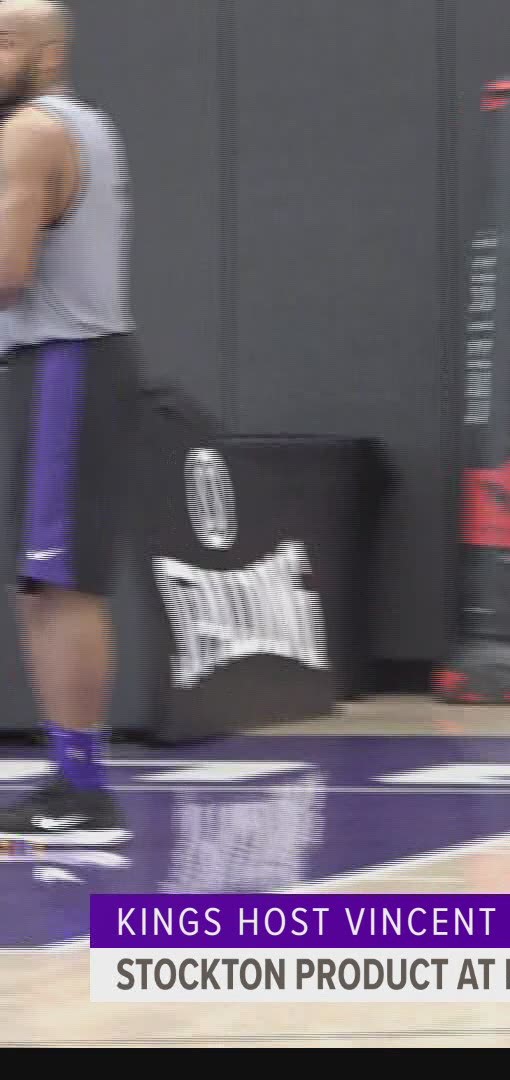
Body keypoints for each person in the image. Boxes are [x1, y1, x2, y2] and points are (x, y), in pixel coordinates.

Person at [0, 0, 137, 847]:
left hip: (67, 362)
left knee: (60, 583)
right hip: (54, 363)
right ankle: (70, 772)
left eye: (2, 41)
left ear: (48, 56)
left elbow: (7, 267)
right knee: (41, 585)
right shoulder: (81, 123)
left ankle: (84, 789)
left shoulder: (34, 133)